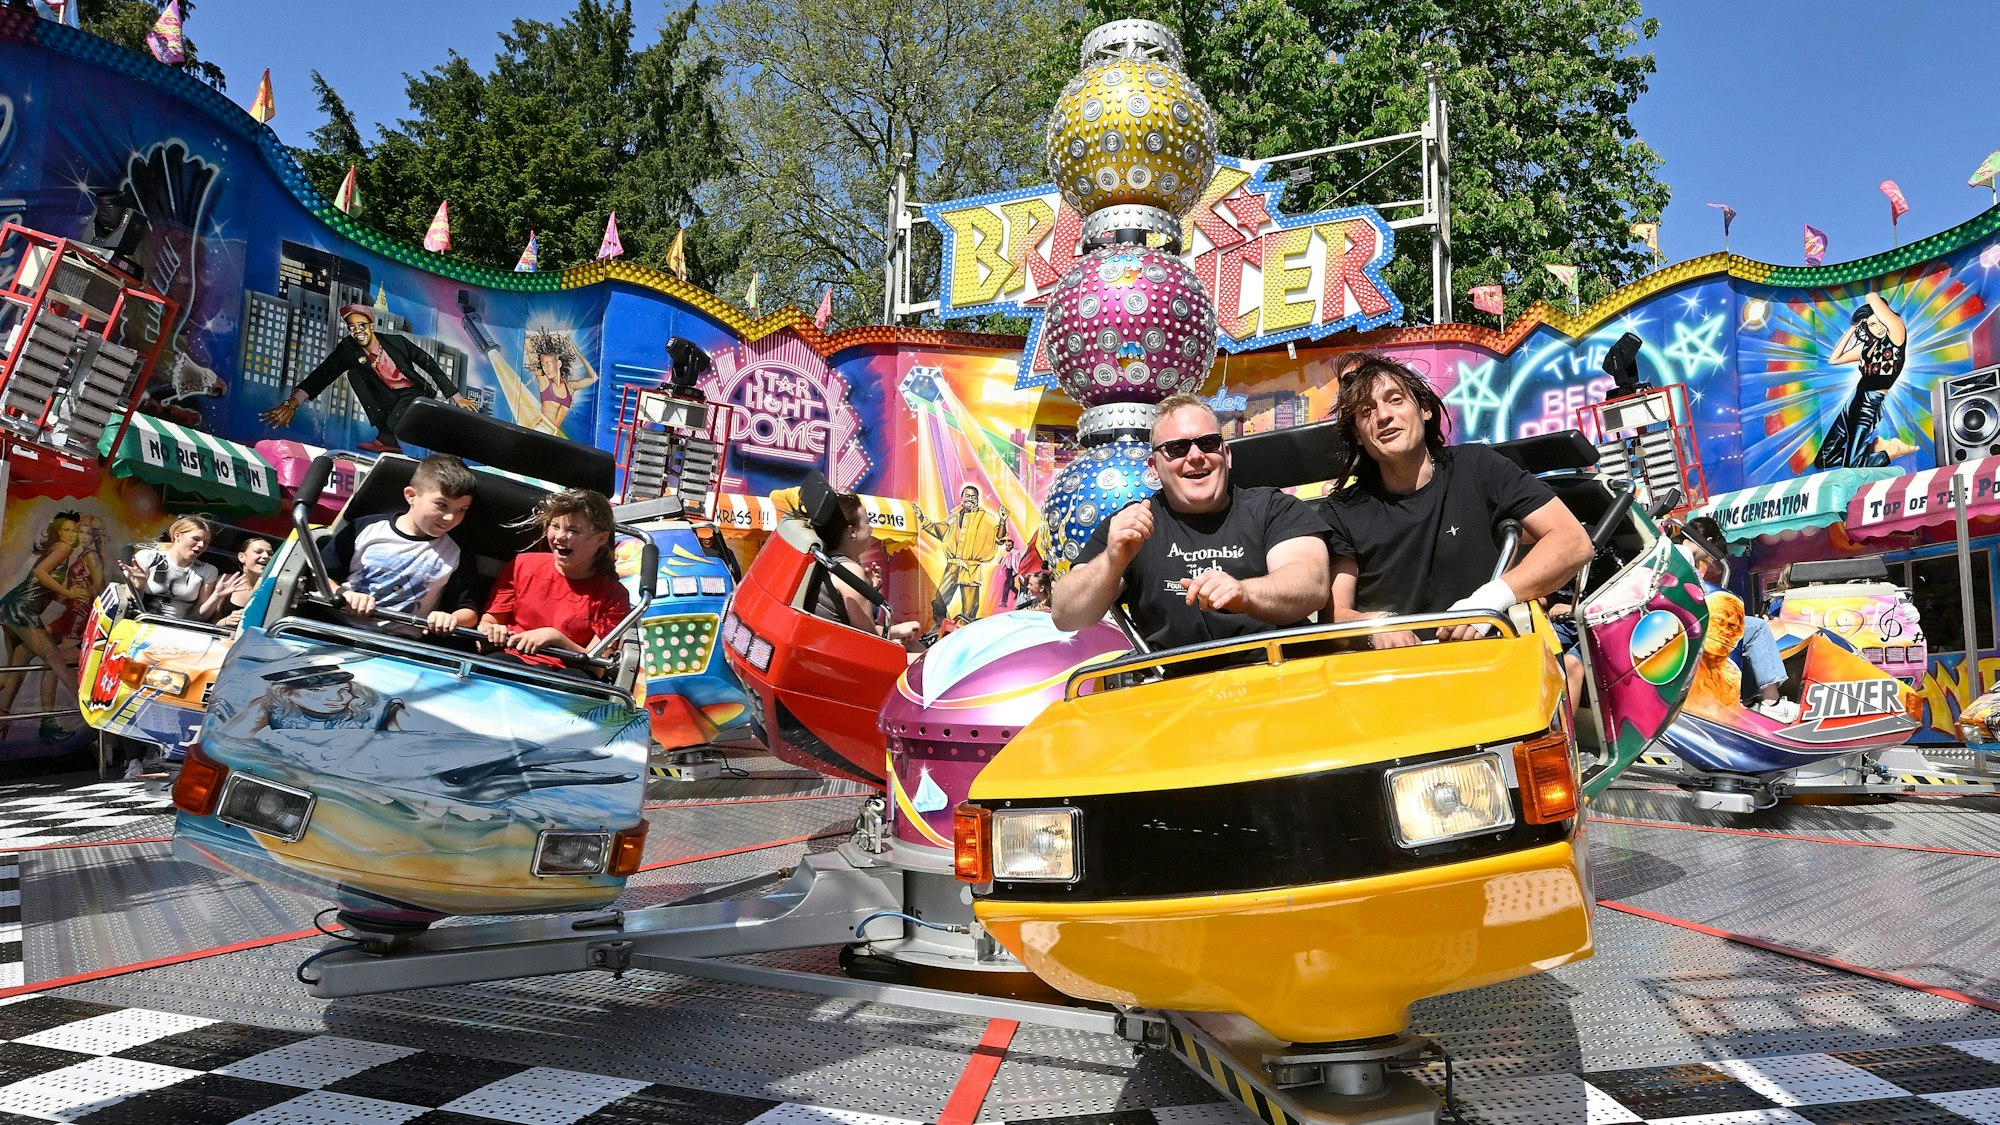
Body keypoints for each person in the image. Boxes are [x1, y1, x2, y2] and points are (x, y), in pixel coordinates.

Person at [1319, 352, 1593, 648]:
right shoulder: (1341, 511)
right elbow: (1335, 616)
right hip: (1393, 677)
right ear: (1358, 435)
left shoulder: (1476, 466)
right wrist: (1373, 626)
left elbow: (1573, 541)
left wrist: (1487, 603)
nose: (1383, 416)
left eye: (1395, 399)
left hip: (1495, 662)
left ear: (1424, 409)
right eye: (1366, 410)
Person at [1053, 394, 1330, 653]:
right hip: (1177, 685)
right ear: (1153, 467)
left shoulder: (1272, 507)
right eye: (1177, 448)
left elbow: (1310, 585)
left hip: (1281, 672)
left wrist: (1245, 593)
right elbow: (1066, 615)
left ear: (1227, 455)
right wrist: (1112, 561)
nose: (1196, 456)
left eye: (1208, 443)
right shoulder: (1131, 524)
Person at [260, 304, 466, 454]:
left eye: (361, 325)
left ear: (371, 325)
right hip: (386, 395)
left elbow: (430, 364)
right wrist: (292, 403)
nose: (358, 331)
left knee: (398, 423)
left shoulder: (397, 343)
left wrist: (457, 398)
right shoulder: (349, 349)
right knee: (355, 374)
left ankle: (396, 437)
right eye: (352, 328)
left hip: (413, 392)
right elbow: (323, 374)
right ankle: (387, 438)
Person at [320, 454, 480, 634]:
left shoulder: (457, 551)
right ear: (411, 495)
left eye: (461, 510)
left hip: (400, 643)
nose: (450, 517)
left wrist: (450, 618)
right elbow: (320, 577)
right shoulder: (366, 528)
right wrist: (345, 594)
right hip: (336, 628)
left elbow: (468, 612)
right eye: (441, 505)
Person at [477, 489, 631, 668]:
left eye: (572, 530)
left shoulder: (614, 596)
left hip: (565, 675)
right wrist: (491, 631)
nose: (559, 537)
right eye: (555, 526)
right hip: (510, 659)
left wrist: (556, 639)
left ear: (601, 538)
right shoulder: (522, 565)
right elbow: (487, 628)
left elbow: (596, 667)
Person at [1676, 516, 1795, 721]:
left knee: (1742, 636)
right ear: (1709, 540)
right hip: (1695, 623)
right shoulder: (1683, 554)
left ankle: (1748, 698)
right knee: (1756, 628)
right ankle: (1771, 701)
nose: (1708, 560)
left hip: (1688, 622)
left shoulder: (1676, 554)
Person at [0, 511, 91, 739]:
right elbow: (40, 573)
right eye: (66, 530)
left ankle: (4, 717)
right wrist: (68, 591)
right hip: (21, 609)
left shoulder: (60, 551)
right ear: (59, 532)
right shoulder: (63, 548)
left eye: (74, 530)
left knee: (15, 666)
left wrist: (65, 598)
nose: (71, 535)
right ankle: (83, 701)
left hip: (11, 607)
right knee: (53, 656)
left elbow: (41, 584)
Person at [804, 492, 923, 647]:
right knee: (919, 651)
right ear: (852, 532)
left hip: (827, 643)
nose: (871, 529)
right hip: (839, 651)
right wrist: (899, 630)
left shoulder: (825, 559)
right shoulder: (850, 570)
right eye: (867, 522)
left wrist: (867, 588)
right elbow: (869, 639)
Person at [1816, 293, 1914, 468]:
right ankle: (1872, 450)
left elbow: (1871, 296)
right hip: (1853, 401)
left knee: (1852, 464)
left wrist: (1878, 312)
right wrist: (1854, 328)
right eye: (1872, 324)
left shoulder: (1896, 335)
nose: (1878, 327)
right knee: (1823, 459)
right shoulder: (1867, 347)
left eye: (1879, 320)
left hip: (1870, 403)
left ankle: (1891, 451)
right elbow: (1834, 359)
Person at [920, 484, 1009, 626]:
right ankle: (940, 628)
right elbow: (938, 530)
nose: (970, 499)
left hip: (971, 570)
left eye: (974, 497)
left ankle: (963, 632)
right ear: (962, 498)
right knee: (939, 601)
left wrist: (1003, 521)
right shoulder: (954, 517)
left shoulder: (986, 518)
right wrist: (922, 518)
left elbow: (999, 538)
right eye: (968, 496)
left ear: (978, 500)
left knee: (969, 610)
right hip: (953, 567)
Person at [122, 516, 220, 621]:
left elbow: (199, 614)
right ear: (177, 536)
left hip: (178, 628)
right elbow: (128, 599)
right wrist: (138, 584)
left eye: (206, 542)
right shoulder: (148, 556)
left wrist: (218, 595)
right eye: (196, 539)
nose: (201, 545)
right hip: (140, 621)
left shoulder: (207, 571)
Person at [525, 330, 599, 432]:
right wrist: (555, 336)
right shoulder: (544, 382)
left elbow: (594, 378)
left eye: (548, 364)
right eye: (543, 365)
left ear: (558, 364)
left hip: (553, 433)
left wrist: (577, 352)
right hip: (541, 429)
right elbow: (528, 341)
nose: (545, 368)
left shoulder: (570, 387)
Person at [204, 537, 275, 628]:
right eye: (258, 551)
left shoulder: (275, 588)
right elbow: (211, 622)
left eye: (270, 554)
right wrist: (227, 620)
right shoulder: (226, 581)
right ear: (242, 557)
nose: (266, 556)